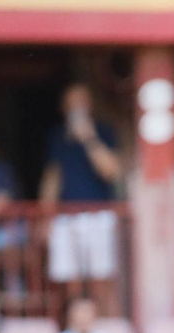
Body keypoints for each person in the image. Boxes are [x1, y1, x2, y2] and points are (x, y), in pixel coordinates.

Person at [40, 83, 122, 294]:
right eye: (72, 103)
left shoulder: (104, 131)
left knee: (102, 282)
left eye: (81, 103)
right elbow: (53, 178)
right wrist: (45, 217)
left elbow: (110, 171)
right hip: (66, 216)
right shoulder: (57, 136)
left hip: (99, 215)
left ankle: (106, 326)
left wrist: (88, 138)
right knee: (70, 282)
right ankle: (76, 325)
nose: (77, 108)